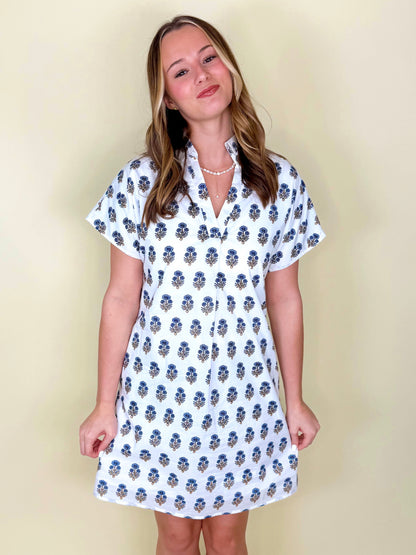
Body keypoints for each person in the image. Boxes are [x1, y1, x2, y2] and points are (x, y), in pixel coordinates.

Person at [79, 14, 327, 555]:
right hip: (162, 389)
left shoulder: (279, 184)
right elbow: (121, 297)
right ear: (168, 99)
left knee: (229, 538)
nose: (202, 75)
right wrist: (104, 404)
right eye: (181, 71)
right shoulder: (141, 184)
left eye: (209, 57)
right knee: (175, 537)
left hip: (245, 389)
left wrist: (295, 400)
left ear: (230, 66)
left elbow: (284, 298)